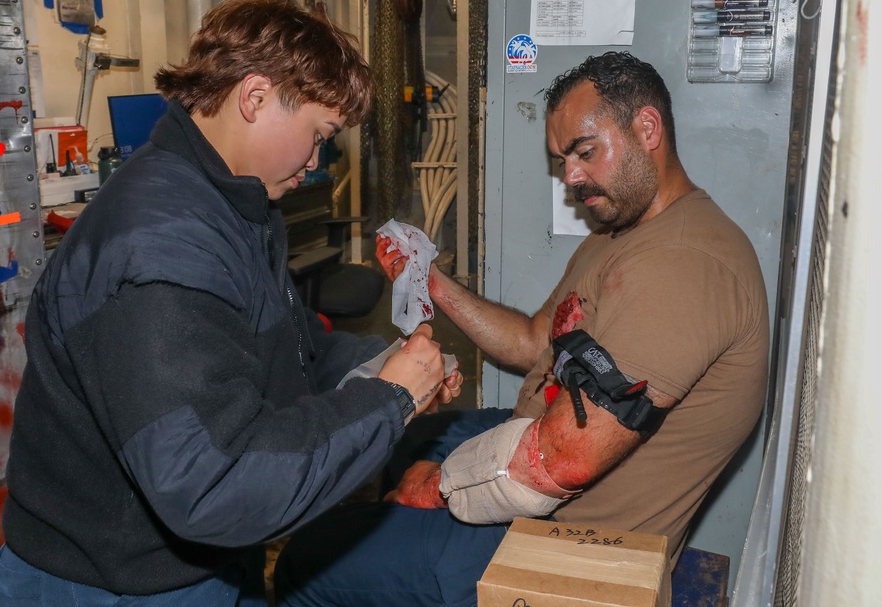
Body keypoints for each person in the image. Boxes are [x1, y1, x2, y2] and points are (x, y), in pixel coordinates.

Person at [0, 0, 463, 607]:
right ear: (255, 97)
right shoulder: (157, 249)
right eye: (318, 134)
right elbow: (212, 481)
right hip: (110, 585)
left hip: (195, 565)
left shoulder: (236, 209)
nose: (316, 160)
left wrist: (384, 365)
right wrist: (390, 400)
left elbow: (291, 350)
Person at [274, 51, 770, 606]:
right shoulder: (622, 231)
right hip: (543, 449)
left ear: (647, 128)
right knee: (408, 437)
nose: (573, 178)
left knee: (306, 565)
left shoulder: (684, 266)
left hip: (572, 539)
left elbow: (562, 460)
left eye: (585, 152)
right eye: (563, 161)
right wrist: (435, 285)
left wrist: (438, 485)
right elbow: (537, 340)